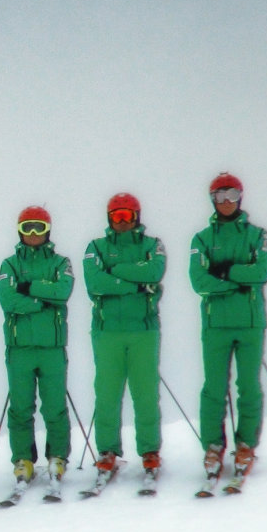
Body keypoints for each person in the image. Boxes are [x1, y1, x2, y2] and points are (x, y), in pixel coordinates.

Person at [189, 172, 267, 482]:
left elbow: (261, 271)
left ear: (241, 197)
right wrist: (235, 281)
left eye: (231, 195)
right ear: (212, 200)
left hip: (250, 323)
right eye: (219, 197)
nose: (226, 202)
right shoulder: (201, 239)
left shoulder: (257, 235)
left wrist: (223, 270)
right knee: (214, 387)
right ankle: (213, 444)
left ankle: (246, 443)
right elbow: (199, 281)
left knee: (248, 386)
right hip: (216, 323)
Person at [82, 193, 167, 485]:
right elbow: (94, 281)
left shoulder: (152, 246)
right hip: (107, 332)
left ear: (136, 217)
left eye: (126, 216)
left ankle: (150, 450)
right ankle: (107, 450)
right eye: (116, 216)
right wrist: (136, 285)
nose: (121, 222)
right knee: (107, 393)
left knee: (145, 393)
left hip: (143, 330)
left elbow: (155, 271)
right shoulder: (96, 247)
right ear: (109, 218)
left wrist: (115, 272)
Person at [0, 206, 75, 492]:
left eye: (38, 228)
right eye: (27, 227)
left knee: (54, 406)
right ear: (19, 230)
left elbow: (63, 291)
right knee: (20, 407)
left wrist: (27, 287)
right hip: (20, 348)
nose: (32, 234)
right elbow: (7, 300)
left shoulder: (60, 262)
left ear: (48, 230)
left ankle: (57, 456)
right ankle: (23, 459)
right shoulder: (9, 265)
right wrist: (41, 301)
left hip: (52, 347)